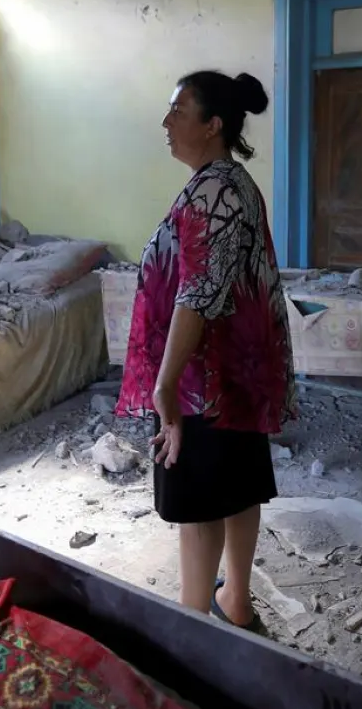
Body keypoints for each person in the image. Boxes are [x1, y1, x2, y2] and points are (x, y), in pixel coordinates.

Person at [117, 69, 296, 630]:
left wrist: (165, 385)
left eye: (178, 111)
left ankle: (193, 631)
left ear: (212, 125)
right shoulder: (232, 182)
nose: (166, 123)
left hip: (203, 382)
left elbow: (197, 291)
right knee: (239, 490)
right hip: (233, 379)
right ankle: (235, 601)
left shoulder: (215, 189)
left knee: (196, 510)